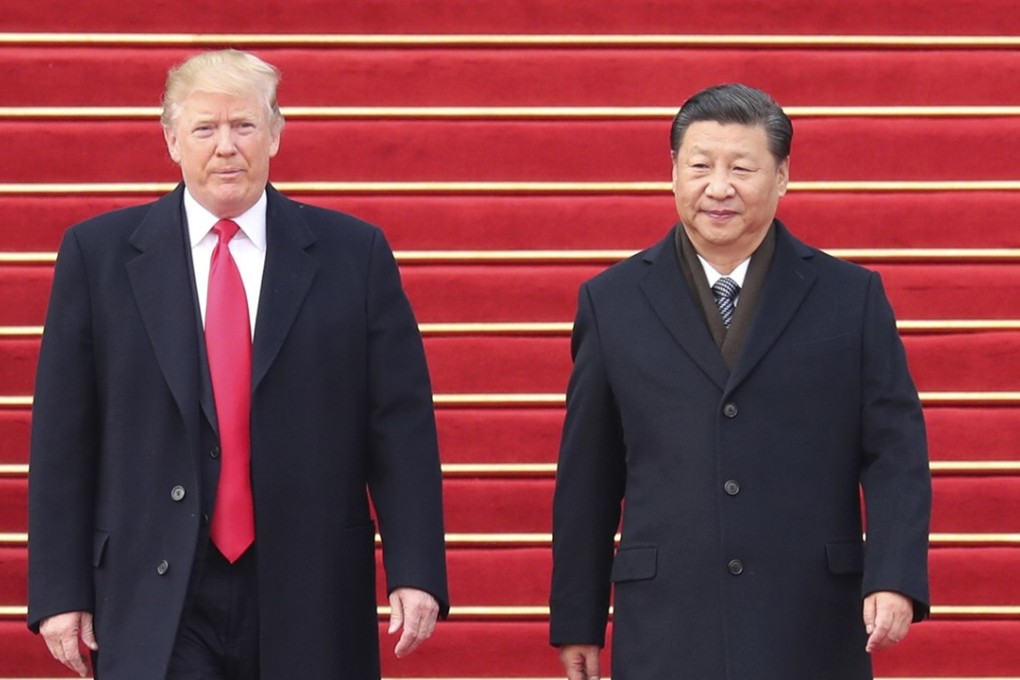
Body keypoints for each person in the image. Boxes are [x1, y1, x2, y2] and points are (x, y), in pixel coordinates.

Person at [28, 49, 448, 679]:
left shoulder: (351, 254)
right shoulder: (99, 256)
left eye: (244, 126)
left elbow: (400, 423)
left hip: (306, 581)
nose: (226, 147)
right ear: (171, 139)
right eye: (205, 128)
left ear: (275, 132)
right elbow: (64, 434)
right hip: (156, 583)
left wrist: (415, 570)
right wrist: (61, 592)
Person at [549, 83, 931, 679]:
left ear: (781, 177)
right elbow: (589, 474)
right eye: (700, 165)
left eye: (742, 168)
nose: (718, 187)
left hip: (809, 612)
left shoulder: (849, 298)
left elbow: (895, 452)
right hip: (669, 614)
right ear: (673, 172)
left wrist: (894, 576)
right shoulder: (612, 301)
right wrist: (579, 616)